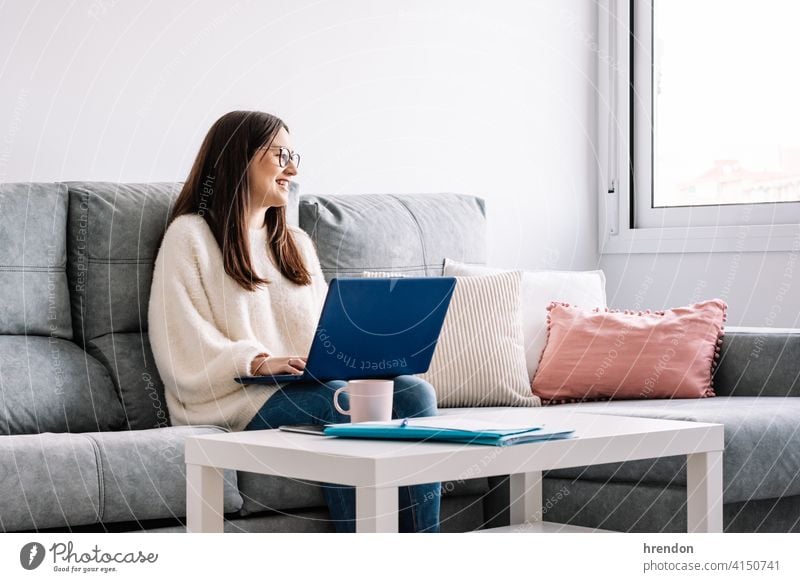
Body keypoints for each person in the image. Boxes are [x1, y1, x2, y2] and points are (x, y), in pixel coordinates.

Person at [148, 110, 441, 533]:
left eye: (294, 154)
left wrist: (364, 355)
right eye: (280, 154)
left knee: (415, 394)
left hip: (308, 382)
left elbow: (323, 333)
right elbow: (178, 339)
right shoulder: (190, 236)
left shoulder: (296, 244)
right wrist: (255, 360)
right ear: (238, 159)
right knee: (342, 402)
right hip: (231, 395)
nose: (293, 168)